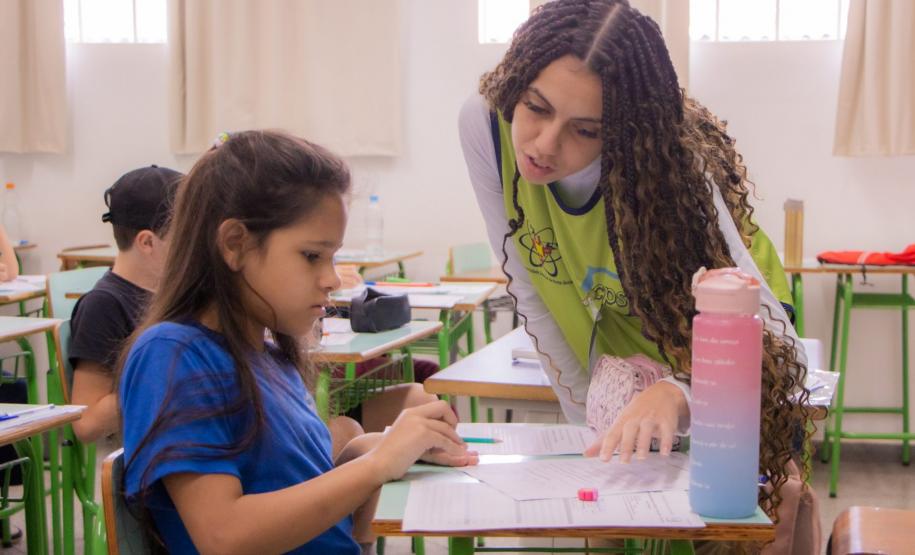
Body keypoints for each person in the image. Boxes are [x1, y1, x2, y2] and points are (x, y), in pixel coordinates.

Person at [459, 0, 810, 524]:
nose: (544, 144)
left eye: (586, 130)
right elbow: (533, 290)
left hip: (731, 342)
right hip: (623, 343)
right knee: (611, 512)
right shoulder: (485, 125)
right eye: (536, 107)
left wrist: (681, 393)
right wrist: (593, 424)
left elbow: (779, 347)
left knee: (750, 515)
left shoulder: (673, 170)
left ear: (623, 135)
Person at [118, 130, 477, 554]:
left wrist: (370, 453)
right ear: (235, 244)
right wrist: (377, 465)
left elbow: (289, 491)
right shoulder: (173, 354)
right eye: (312, 256)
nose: (330, 278)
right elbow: (223, 536)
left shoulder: (268, 355)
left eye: (333, 257)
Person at [69, 165, 181, 443]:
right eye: (185, 237)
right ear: (147, 242)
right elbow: (87, 424)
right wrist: (165, 377)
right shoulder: (103, 306)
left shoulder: (173, 293)